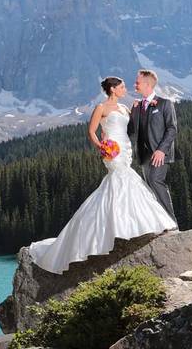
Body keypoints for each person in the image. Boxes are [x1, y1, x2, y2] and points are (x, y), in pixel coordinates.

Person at [27, 76, 177, 274]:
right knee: (121, 179)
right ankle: (117, 228)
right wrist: (102, 147)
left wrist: (143, 109)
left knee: (125, 180)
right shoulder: (101, 107)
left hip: (125, 149)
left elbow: (133, 128)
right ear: (113, 89)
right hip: (112, 150)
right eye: (122, 86)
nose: (126, 89)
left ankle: (128, 224)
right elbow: (91, 131)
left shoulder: (125, 108)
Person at [128, 68, 178, 223]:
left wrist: (161, 150)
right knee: (149, 186)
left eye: (138, 82)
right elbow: (130, 130)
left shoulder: (165, 104)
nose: (135, 84)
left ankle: (172, 222)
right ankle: (158, 223)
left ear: (147, 84)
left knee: (155, 180)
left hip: (159, 153)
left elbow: (172, 128)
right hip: (144, 155)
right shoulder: (136, 107)